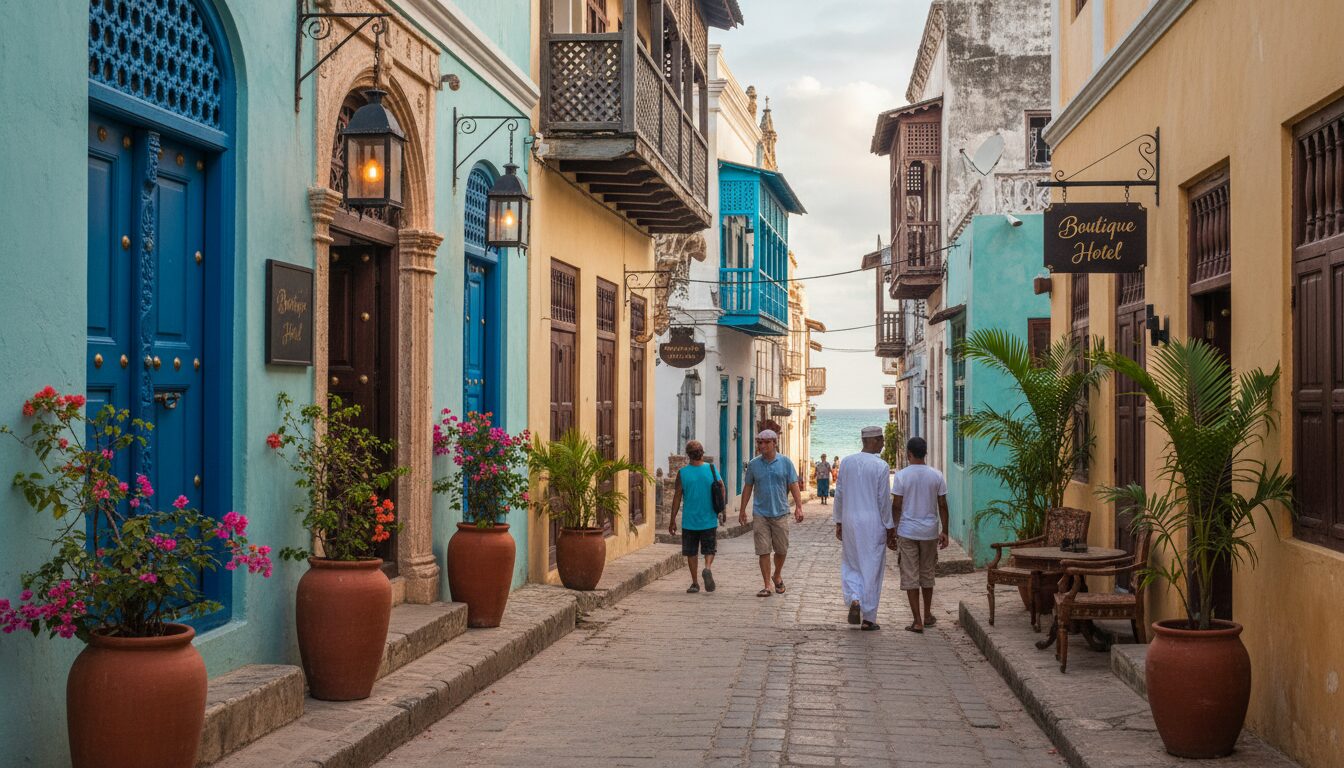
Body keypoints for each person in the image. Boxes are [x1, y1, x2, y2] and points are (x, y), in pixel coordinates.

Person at [833, 428, 897, 631]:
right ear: (875, 440)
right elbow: (883, 499)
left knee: (852, 563)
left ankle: (854, 598)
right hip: (872, 522)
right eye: (882, 440)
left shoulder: (847, 462)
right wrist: (889, 526)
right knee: (872, 567)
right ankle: (869, 617)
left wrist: (839, 521)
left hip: (850, 519)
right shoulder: (881, 466)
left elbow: (840, 494)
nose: (884, 444)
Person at [890, 436, 950, 633]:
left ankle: (917, 620)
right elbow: (942, 505)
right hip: (929, 532)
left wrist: (893, 529)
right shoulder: (937, 475)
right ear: (925, 453)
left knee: (910, 575)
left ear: (909, 454)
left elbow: (897, 505)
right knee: (927, 573)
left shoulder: (902, 476)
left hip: (907, 531)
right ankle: (928, 614)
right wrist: (945, 532)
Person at [737, 429, 804, 597]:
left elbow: (794, 484)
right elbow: (748, 487)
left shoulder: (786, 462)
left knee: (781, 549)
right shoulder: (753, 464)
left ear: (775, 443)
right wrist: (743, 509)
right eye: (760, 442)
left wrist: (799, 507)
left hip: (780, 512)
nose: (762, 445)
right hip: (760, 513)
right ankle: (767, 584)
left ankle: (777, 574)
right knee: (763, 550)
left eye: (766, 442)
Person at [667, 440, 724, 594]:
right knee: (709, 549)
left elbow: (677, 497)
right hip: (709, 518)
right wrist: (721, 509)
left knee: (691, 552)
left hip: (689, 520)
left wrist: (672, 520)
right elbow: (721, 487)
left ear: (688, 455)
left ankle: (694, 583)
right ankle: (707, 568)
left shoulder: (683, 473)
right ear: (702, 453)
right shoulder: (712, 469)